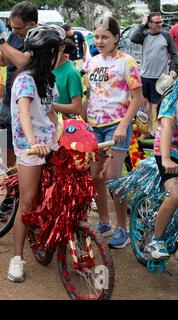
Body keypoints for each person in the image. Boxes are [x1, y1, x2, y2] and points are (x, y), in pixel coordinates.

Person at [5, 26, 62, 282]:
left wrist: (69, 132)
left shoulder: (49, 79)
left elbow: (50, 114)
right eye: (57, 51)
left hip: (49, 143)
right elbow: (24, 112)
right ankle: (16, 258)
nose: (60, 55)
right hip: (30, 148)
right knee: (27, 203)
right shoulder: (25, 79)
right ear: (48, 53)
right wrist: (32, 142)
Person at [83, 16, 143, 248]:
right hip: (94, 128)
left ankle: (122, 228)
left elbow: (137, 99)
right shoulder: (92, 62)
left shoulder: (127, 62)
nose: (100, 41)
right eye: (97, 36)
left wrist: (122, 126)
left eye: (105, 37)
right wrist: (84, 122)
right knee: (94, 175)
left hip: (116, 126)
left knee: (113, 178)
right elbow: (91, 95)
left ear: (116, 37)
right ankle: (105, 222)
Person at [0, 1, 37, 180]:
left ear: (32, 24)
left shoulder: (38, 39)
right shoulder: (15, 36)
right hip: (7, 101)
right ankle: (10, 193)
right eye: (12, 27)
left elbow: (23, 62)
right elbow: (4, 59)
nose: (15, 32)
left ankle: (19, 191)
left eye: (18, 28)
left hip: (26, 104)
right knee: (5, 151)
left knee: (24, 152)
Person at [130, 12, 178, 135]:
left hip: (160, 79)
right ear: (150, 24)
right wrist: (142, 24)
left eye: (161, 21)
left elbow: (174, 54)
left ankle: (157, 133)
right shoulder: (144, 35)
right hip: (144, 77)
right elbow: (133, 37)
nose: (160, 24)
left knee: (157, 107)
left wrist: (173, 69)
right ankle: (147, 131)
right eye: (157, 22)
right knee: (145, 106)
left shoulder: (166, 36)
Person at [148, 78, 178, 259]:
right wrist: (166, 158)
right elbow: (166, 125)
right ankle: (156, 239)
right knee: (176, 194)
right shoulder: (173, 95)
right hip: (168, 149)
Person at [50, 25, 83, 117]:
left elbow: (77, 108)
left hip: (63, 126)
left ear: (62, 47)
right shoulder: (45, 69)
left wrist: (49, 106)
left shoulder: (72, 73)